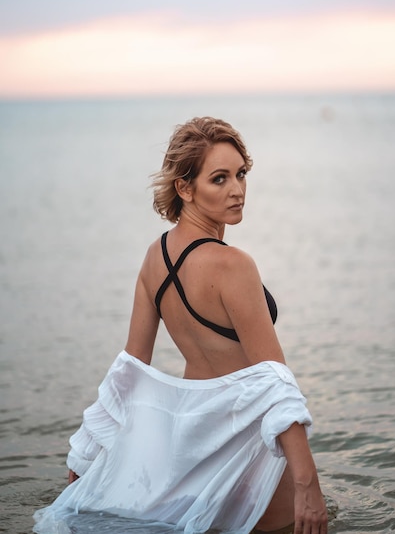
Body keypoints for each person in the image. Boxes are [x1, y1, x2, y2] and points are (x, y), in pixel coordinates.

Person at [33, 117, 328, 534]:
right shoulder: (234, 265)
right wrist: (308, 484)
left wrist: (85, 456)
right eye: (219, 179)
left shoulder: (155, 257)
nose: (237, 190)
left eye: (241, 174)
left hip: (192, 441)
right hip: (247, 441)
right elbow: (274, 381)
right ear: (185, 189)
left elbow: (128, 370)